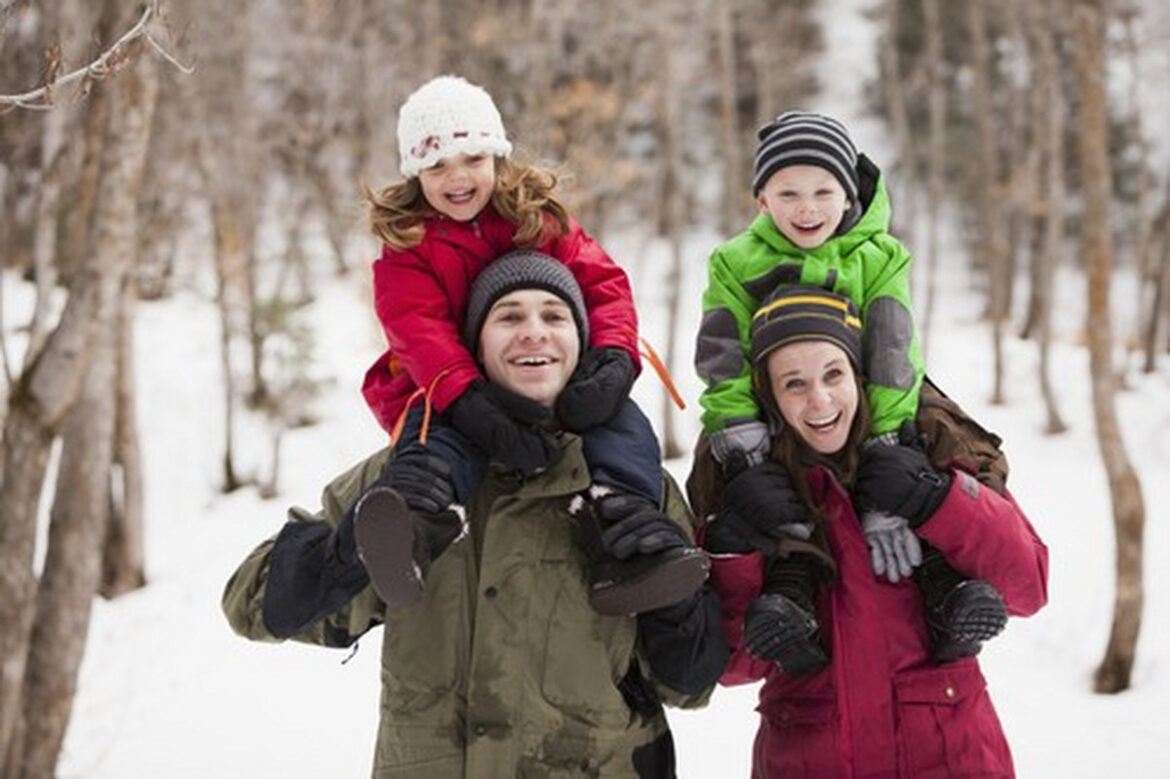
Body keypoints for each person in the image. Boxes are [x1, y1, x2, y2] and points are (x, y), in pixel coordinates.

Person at [222, 251, 729, 778]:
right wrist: (355, 547)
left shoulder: (634, 483)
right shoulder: (412, 475)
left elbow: (691, 686)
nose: (534, 333)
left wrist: (675, 605)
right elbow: (249, 605)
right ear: (474, 346)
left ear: (581, 342)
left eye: (554, 317)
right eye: (508, 316)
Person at [359, 74, 707, 615]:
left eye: (472, 159)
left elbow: (602, 284)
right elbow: (417, 328)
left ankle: (624, 535)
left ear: (497, 157)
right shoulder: (408, 244)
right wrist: (469, 398)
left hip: (545, 367)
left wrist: (614, 358)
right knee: (438, 438)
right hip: (451, 383)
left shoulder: (535, 216)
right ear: (414, 174)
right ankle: (416, 524)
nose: (457, 178)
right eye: (437, 166)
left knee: (622, 428)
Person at [694, 110, 1006, 667]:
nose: (807, 208)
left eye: (823, 191)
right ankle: (789, 603)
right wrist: (741, 436)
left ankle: (946, 592)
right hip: (777, 405)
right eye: (787, 193)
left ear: (849, 194)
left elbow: (891, 344)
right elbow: (723, 354)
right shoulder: (735, 262)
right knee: (782, 497)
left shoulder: (878, 255)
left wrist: (889, 437)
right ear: (761, 201)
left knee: (906, 482)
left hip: (874, 402)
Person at [699, 285, 1049, 777]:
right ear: (770, 396)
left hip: (951, 754)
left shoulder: (927, 441)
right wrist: (734, 541)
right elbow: (729, 666)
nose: (819, 400)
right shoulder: (739, 474)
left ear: (860, 375)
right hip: (808, 754)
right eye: (793, 384)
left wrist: (937, 499)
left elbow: (1028, 586)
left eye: (833, 374)